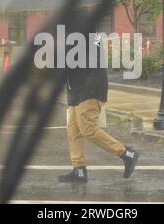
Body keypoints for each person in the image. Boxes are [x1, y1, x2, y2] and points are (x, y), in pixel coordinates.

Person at [58, 25, 139, 183]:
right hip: (77, 87)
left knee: (87, 129)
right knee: (73, 130)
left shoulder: (78, 31)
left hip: (89, 87)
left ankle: (126, 153)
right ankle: (79, 170)